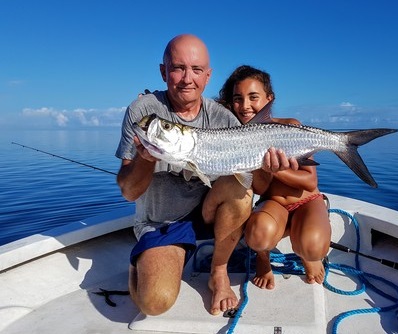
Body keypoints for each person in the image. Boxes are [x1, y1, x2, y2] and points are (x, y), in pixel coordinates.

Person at [115, 35, 295, 316]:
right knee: (154, 303)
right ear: (163, 72)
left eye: (196, 70)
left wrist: (266, 166)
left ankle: (219, 271)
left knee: (240, 191)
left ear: (208, 76)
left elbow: (254, 185)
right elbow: (128, 192)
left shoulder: (222, 117)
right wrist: (144, 159)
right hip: (163, 221)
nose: (188, 78)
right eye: (178, 68)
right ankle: (142, 263)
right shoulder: (144, 112)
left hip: (211, 214)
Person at [217, 65, 331, 289]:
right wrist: (264, 168)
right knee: (258, 235)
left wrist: (279, 169)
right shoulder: (236, 139)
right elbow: (259, 189)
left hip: (307, 201)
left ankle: (310, 257)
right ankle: (262, 258)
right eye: (238, 99)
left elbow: (310, 182)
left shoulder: (290, 126)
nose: (245, 105)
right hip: (273, 205)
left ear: (269, 99)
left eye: (253, 97)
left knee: (312, 246)